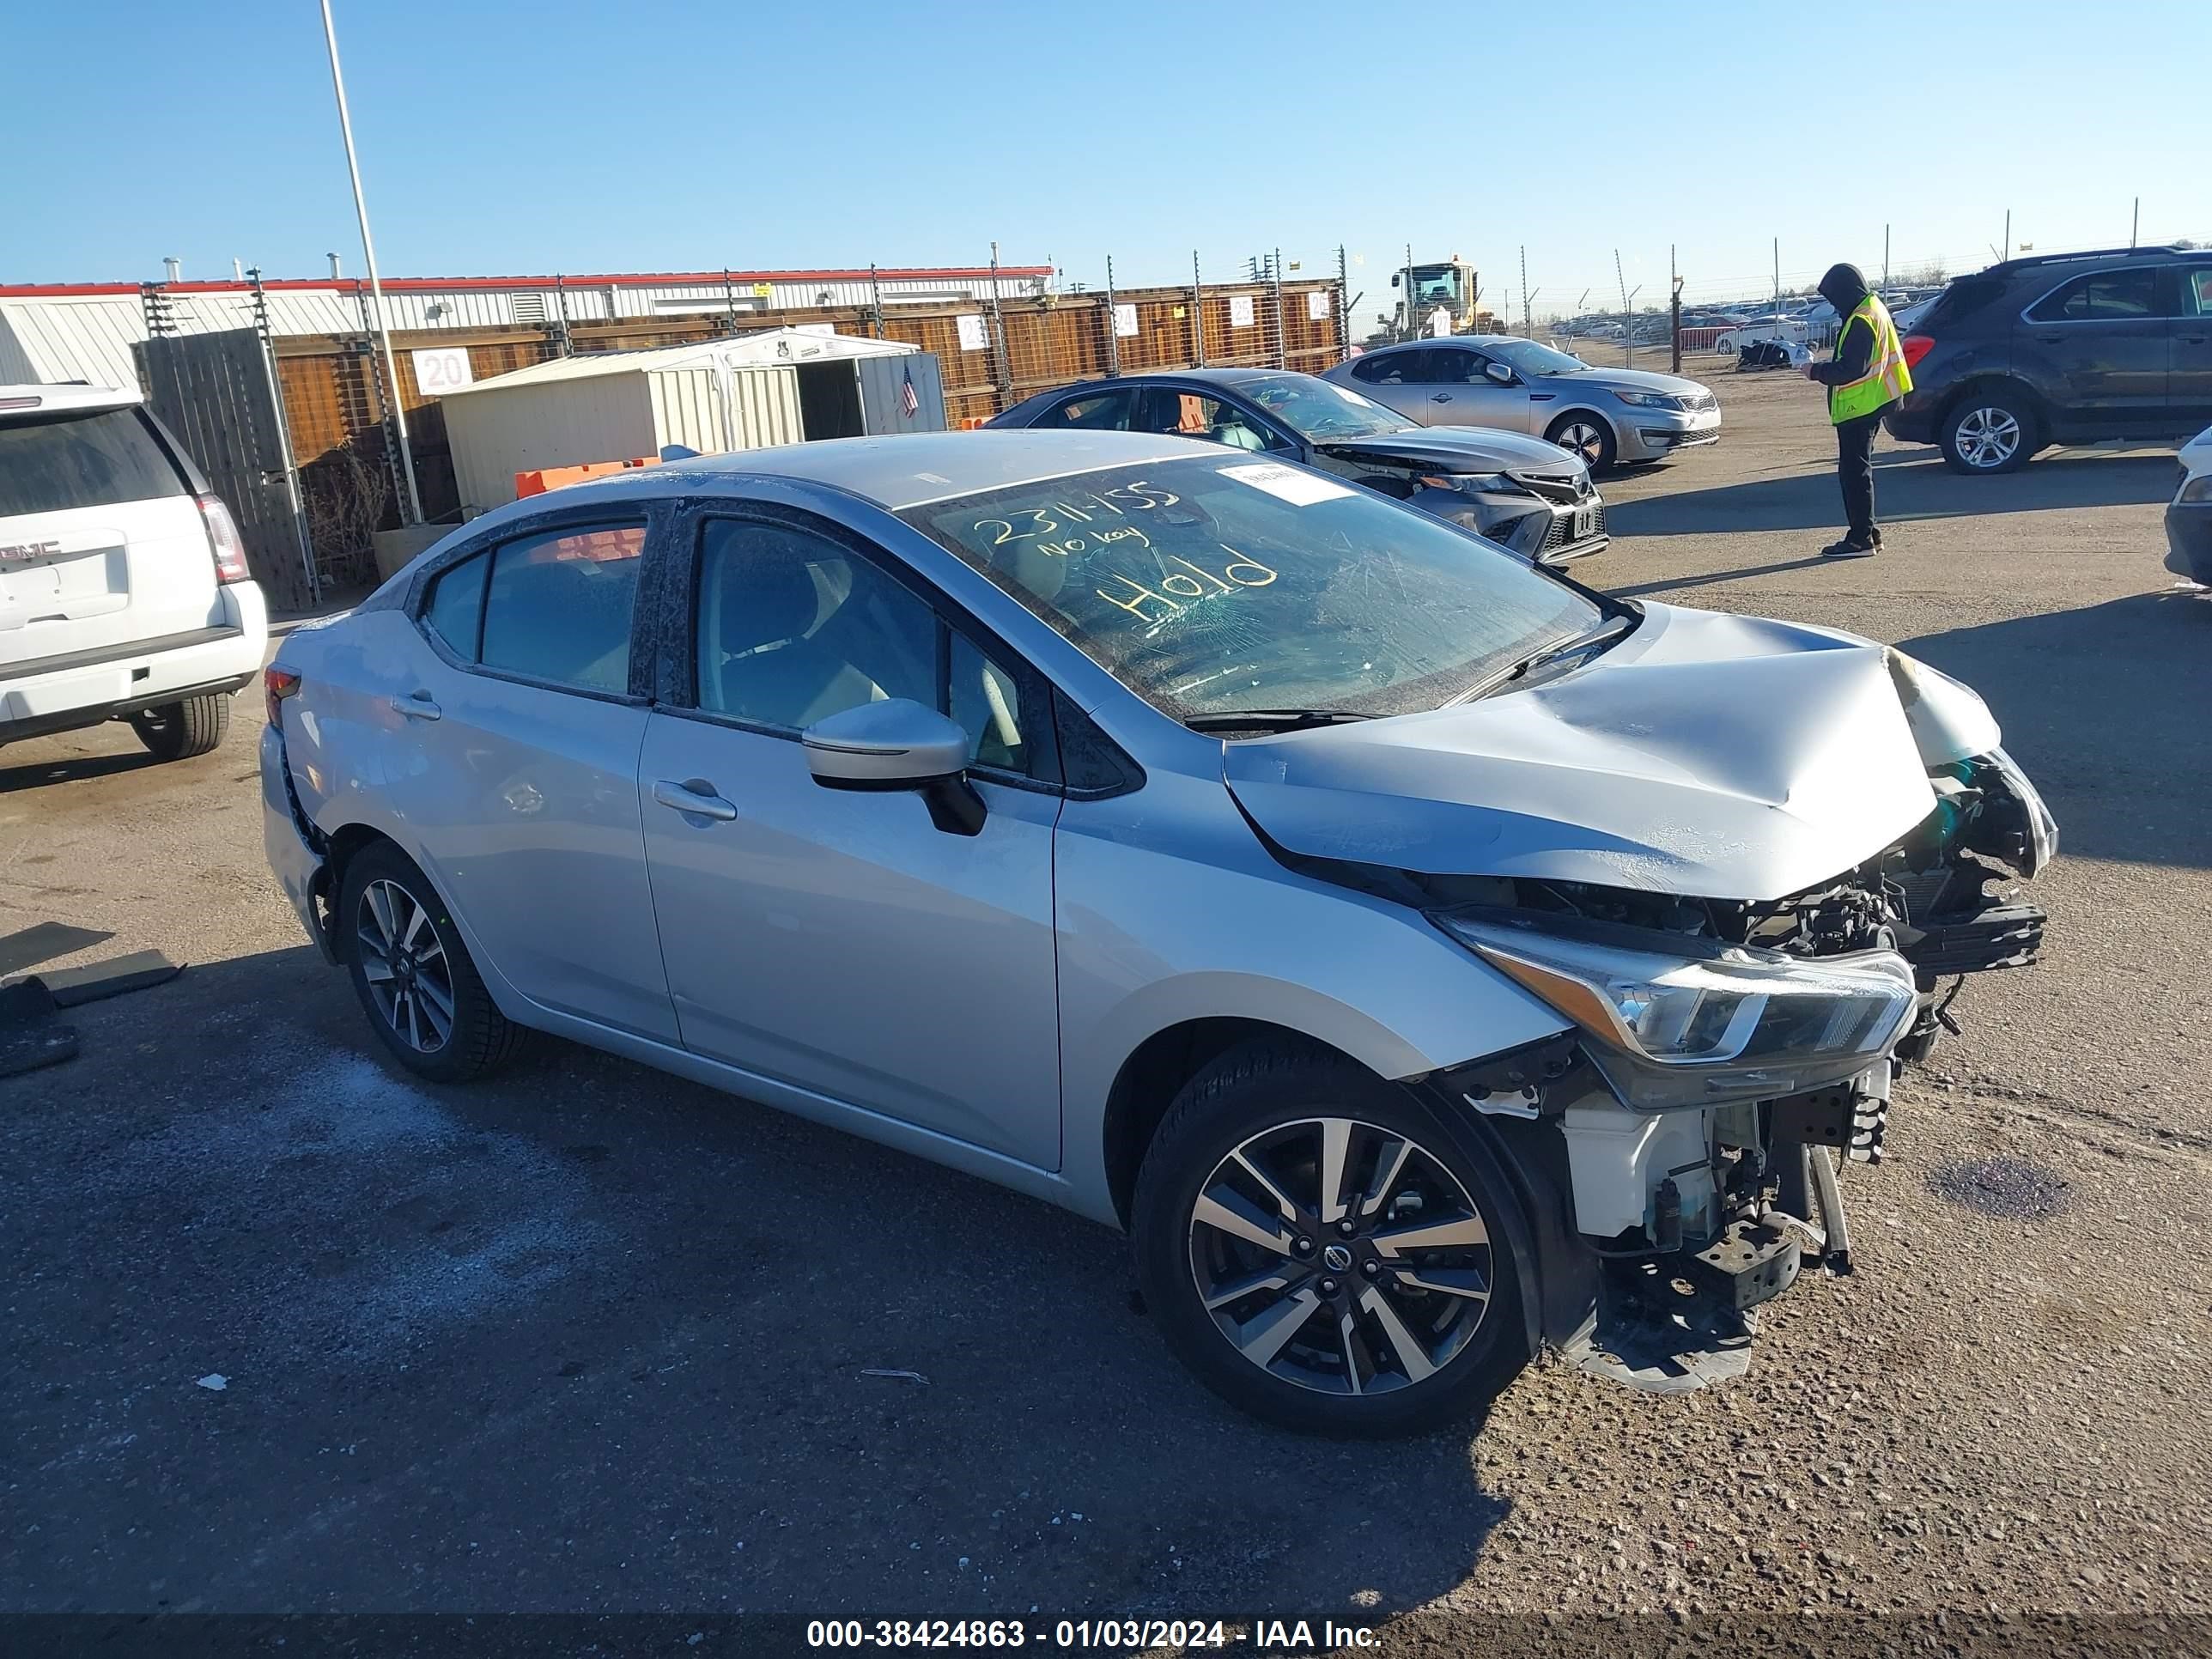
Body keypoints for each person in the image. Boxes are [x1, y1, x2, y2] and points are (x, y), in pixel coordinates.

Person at [1802, 263, 1912, 558]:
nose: (1833, 305)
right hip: (1876, 398)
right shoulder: (1872, 307)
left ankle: (1860, 539)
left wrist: (1815, 370)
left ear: (1844, 291)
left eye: (1834, 297)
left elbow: (1851, 368)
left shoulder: (1861, 318)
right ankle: (1869, 532)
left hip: (1860, 405)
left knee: (1854, 473)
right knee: (1859, 471)